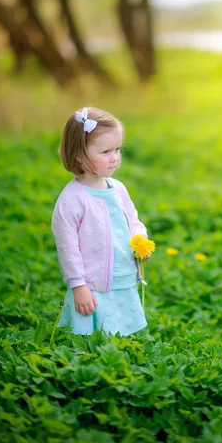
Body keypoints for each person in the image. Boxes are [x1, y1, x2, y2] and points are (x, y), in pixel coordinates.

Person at [51, 106, 151, 336]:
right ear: (78, 154)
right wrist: (79, 285)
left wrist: (140, 241)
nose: (115, 158)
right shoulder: (72, 200)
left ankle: (122, 354)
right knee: (93, 333)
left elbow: (132, 220)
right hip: (93, 281)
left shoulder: (117, 188)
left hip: (122, 272)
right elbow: (68, 248)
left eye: (117, 149)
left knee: (122, 328)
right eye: (105, 152)